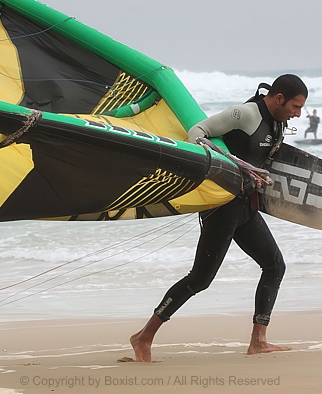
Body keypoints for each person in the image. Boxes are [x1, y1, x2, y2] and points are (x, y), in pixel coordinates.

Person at [130, 74, 308, 362]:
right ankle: (143, 336)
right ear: (279, 99)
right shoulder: (245, 114)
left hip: (246, 207)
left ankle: (258, 341)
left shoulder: (277, 122)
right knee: (200, 279)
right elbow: (197, 131)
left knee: (274, 265)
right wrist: (212, 168)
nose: (298, 113)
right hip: (222, 206)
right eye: (296, 106)